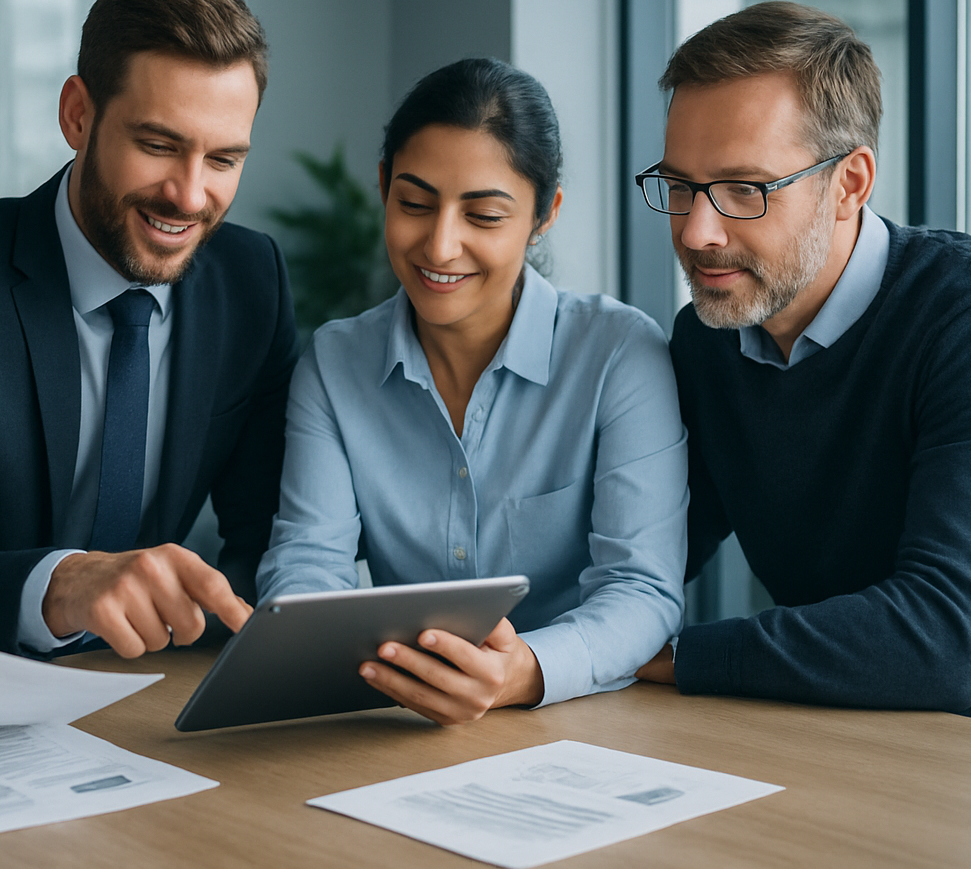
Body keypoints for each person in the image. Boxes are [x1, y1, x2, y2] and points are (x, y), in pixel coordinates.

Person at [0, 0, 298, 659]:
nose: (188, 195)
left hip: (161, 688)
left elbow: (271, 533)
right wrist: (63, 588)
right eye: (158, 146)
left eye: (224, 159)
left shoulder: (251, 281)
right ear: (77, 115)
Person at [256, 58, 687, 725]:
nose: (440, 244)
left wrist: (523, 672)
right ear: (383, 187)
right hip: (399, 720)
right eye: (414, 204)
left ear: (544, 216)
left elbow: (642, 591)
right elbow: (307, 565)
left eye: (483, 215)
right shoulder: (336, 363)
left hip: (585, 722)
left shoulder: (618, 355)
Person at [632, 1, 971, 727]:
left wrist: (679, 658)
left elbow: (944, 638)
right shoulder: (708, 339)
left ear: (850, 184)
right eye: (680, 185)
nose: (697, 231)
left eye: (744, 189)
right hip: (828, 725)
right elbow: (648, 552)